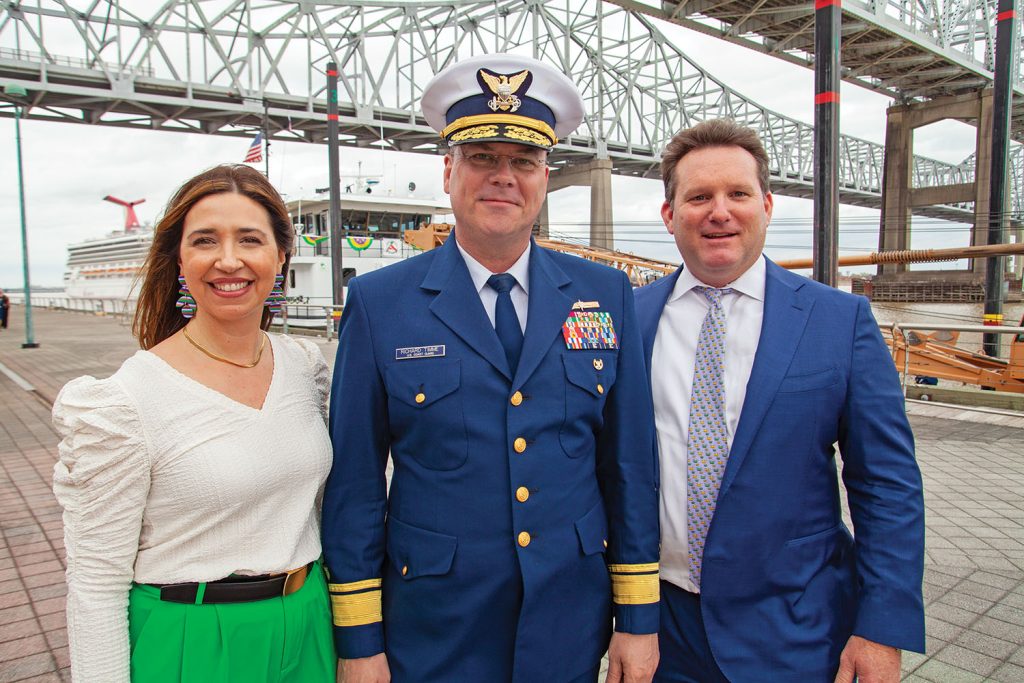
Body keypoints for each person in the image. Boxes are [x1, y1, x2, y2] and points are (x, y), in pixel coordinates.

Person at [322, 54, 660, 683]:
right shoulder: (380, 302)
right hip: (434, 622)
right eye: (482, 158)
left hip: (569, 615)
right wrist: (360, 640)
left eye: (523, 162)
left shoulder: (606, 294)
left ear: (544, 177)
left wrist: (638, 619)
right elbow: (356, 484)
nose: (503, 177)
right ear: (448, 171)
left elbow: (631, 465)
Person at [634, 118, 925, 682]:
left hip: (798, 629)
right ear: (670, 216)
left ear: (766, 205)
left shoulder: (840, 322)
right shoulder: (629, 318)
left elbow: (886, 485)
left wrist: (882, 628)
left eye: (738, 194)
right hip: (663, 633)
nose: (719, 211)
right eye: (698, 197)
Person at [51, 164, 336, 682]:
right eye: (206, 240)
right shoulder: (124, 402)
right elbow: (95, 584)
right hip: (193, 639)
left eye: (250, 239)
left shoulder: (304, 367)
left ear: (281, 256)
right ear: (180, 260)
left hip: (309, 625)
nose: (229, 259)